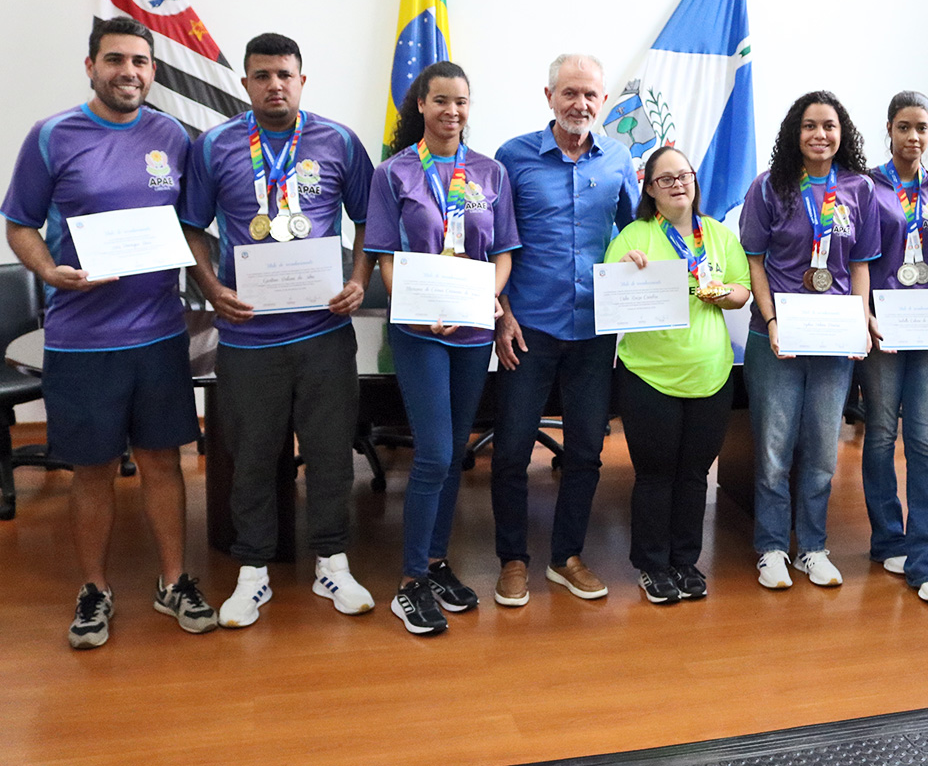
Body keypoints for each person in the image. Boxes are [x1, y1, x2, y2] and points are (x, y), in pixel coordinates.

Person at [2, 17, 215, 649]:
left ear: (153, 70)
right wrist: (48, 272)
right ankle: (94, 588)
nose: (130, 71)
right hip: (81, 339)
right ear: (91, 66)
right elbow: (20, 223)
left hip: (157, 332)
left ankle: (173, 580)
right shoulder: (52, 136)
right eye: (116, 59)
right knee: (92, 470)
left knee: (161, 462)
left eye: (141, 62)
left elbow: (193, 225)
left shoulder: (171, 135)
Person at [179, 33, 375, 627]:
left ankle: (332, 563)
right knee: (253, 457)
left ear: (302, 80)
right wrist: (212, 289)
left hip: (323, 333)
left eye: (285, 74)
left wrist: (360, 279)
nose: (274, 85)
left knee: (330, 455)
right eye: (262, 76)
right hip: (249, 338)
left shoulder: (338, 140)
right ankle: (253, 572)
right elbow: (190, 226)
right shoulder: (214, 146)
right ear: (245, 84)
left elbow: (369, 219)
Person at [365, 61, 520, 634]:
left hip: (472, 328)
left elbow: (503, 253)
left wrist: (485, 299)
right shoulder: (395, 173)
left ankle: (434, 561)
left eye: (460, 102)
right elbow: (384, 255)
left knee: (453, 449)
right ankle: (409, 582)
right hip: (419, 329)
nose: (451, 112)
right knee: (432, 451)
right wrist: (419, 304)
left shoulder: (492, 173)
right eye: (439, 101)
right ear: (421, 107)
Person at [489, 54, 639, 607]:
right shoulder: (514, 157)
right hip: (527, 328)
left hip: (595, 330)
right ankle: (511, 559)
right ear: (548, 96)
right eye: (570, 93)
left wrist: (644, 265)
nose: (581, 104)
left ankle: (565, 556)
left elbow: (633, 233)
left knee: (584, 451)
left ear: (603, 102)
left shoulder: (619, 158)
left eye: (591, 96)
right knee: (509, 450)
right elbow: (495, 241)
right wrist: (501, 312)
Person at [739, 90, 879, 590]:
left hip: (834, 337)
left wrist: (862, 318)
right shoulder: (770, 187)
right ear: (794, 134)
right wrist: (771, 319)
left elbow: (860, 264)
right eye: (809, 126)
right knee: (774, 448)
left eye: (829, 126)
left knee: (822, 449)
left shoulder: (859, 189)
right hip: (778, 334)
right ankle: (773, 547)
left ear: (843, 134)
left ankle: (813, 547)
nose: (820, 135)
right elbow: (754, 259)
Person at [604, 147, 750, 603]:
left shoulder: (721, 237)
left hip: (710, 374)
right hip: (649, 376)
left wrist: (724, 293)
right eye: (665, 179)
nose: (677, 184)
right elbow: (609, 295)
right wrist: (627, 271)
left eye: (683, 175)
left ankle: (685, 562)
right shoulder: (635, 235)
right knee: (655, 475)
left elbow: (743, 290)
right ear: (649, 189)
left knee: (694, 475)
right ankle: (651, 564)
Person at [860, 91, 928, 604]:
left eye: (922, 127)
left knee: (922, 439)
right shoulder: (866, 187)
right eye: (904, 127)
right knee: (880, 434)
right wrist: (867, 317)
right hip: (884, 328)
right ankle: (887, 538)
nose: (913, 136)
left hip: (927, 329)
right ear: (889, 129)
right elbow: (857, 259)